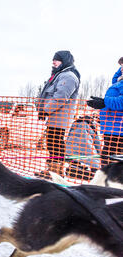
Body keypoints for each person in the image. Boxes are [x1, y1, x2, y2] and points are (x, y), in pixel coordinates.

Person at [35, 50, 81, 179]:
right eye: (53, 60)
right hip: (55, 117)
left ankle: (56, 172)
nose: (53, 62)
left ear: (65, 61)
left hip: (60, 117)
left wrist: (45, 110)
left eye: (57, 60)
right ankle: (52, 171)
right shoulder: (60, 75)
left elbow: (60, 97)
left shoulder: (69, 76)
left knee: (55, 143)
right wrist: (42, 110)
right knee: (52, 143)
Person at [87, 75, 123, 166]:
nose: (121, 68)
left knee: (110, 165)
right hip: (112, 129)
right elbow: (115, 79)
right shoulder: (118, 83)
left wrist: (104, 102)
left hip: (118, 131)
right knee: (107, 164)